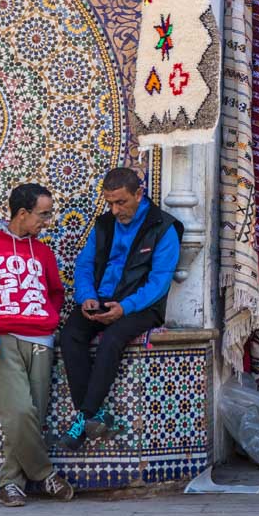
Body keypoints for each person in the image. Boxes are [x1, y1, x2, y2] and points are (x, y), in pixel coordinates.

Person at [0, 182, 76, 507]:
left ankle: (11, 483)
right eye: (42, 215)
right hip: (2, 339)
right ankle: (45, 476)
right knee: (18, 412)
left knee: (33, 415)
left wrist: (50, 316)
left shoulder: (42, 251)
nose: (47, 221)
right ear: (22, 213)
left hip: (41, 339)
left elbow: (56, 291)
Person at [58, 167, 181, 447]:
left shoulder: (164, 227)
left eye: (121, 202)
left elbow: (159, 283)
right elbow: (85, 264)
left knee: (113, 338)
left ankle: (84, 417)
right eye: (109, 203)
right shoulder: (103, 225)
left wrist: (124, 307)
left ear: (139, 194)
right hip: (102, 299)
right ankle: (95, 416)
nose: (114, 210)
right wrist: (87, 296)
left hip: (140, 307)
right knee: (71, 334)